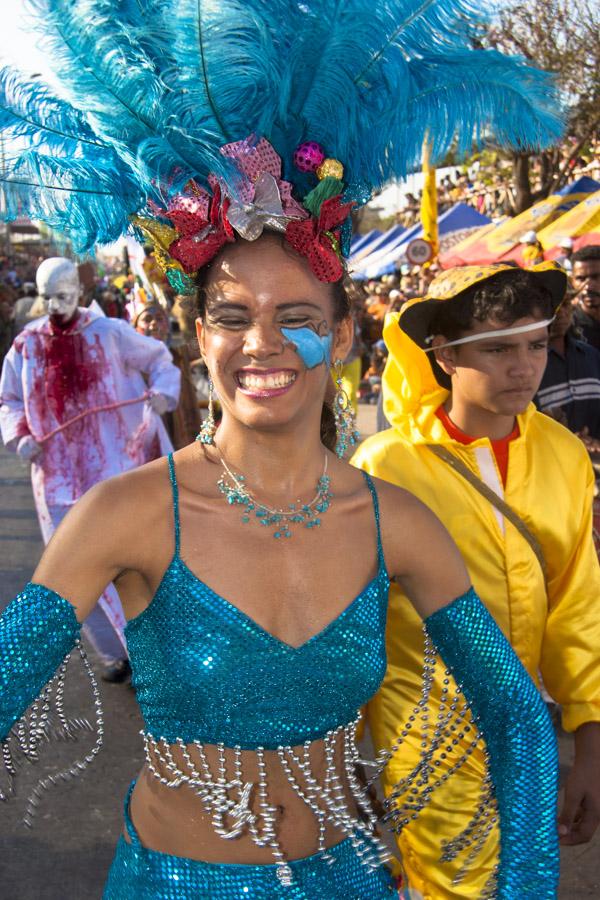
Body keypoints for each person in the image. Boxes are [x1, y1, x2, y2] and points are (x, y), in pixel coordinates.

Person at [0, 1, 565, 896]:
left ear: (343, 340)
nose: (260, 344)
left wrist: (524, 881)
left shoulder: (394, 522)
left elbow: (519, 718)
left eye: (296, 319)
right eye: (232, 316)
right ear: (198, 336)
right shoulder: (129, 512)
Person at [353, 262, 600, 899]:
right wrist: (350, 760)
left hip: (529, 742)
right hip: (421, 737)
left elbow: (578, 607)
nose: (524, 367)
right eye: (497, 349)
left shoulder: (565, 456)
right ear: (442, 353)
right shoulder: (386, 467)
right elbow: (349, 624)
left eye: (536, 345)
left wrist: (591, 750)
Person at [0, 257, 181, 680]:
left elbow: (161, 360)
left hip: (114, 470)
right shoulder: (26, 345)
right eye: (47, 298)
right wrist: (21, 436)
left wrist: (160, 395)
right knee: (73, 570)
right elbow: (7, 400)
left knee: (127, 563)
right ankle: (114, 654)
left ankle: (147, 654)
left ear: (79, 294)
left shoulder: (110, 334)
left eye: (63, 296)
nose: (56, 306)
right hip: (57, 476)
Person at [535, 291, 600, 440]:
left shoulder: (591, 355)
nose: (560, 312)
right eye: (552, 306)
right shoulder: (529, 365)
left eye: (565, 304)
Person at [572, 245, 600, 350]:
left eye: (596, 277)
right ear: (572, 282)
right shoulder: (567, 327)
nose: (588, 286)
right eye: (581, 279)